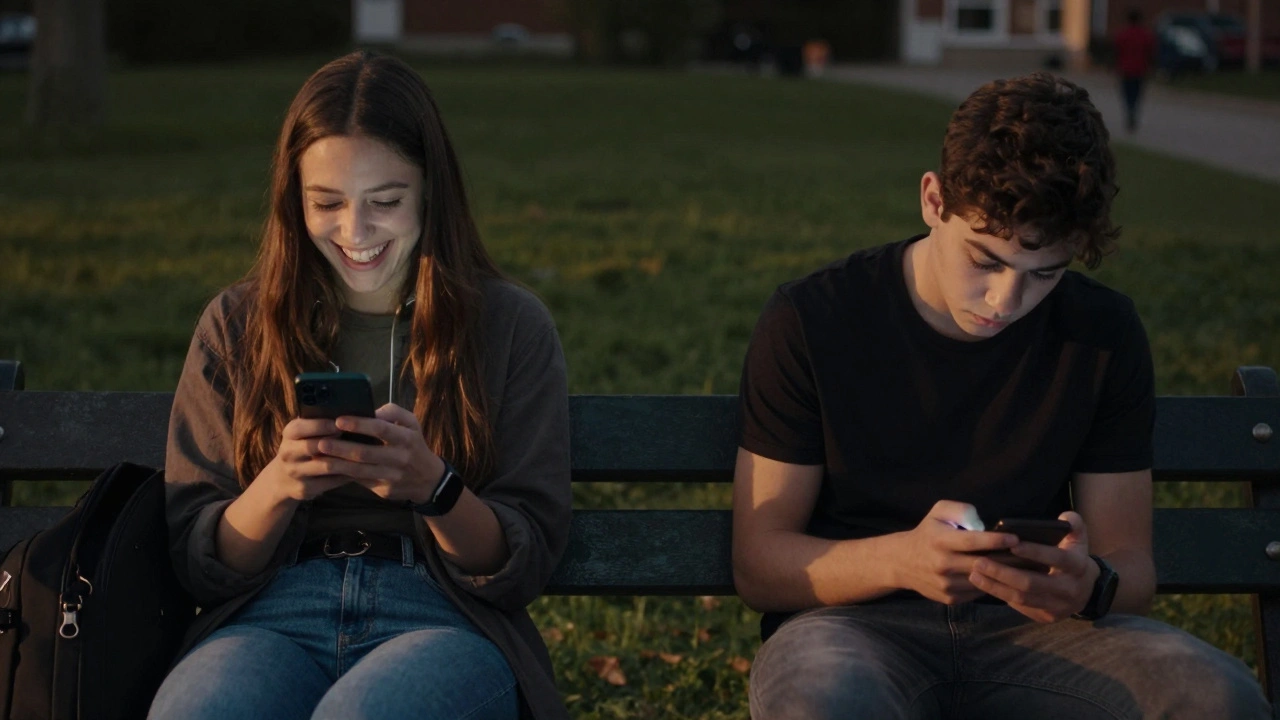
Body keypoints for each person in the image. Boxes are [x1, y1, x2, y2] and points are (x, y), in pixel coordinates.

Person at [732, 72, 1271, 719]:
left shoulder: (1101, 333)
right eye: (985, 260)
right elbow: (760, 564)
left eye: (1045, 273)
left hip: (1043, 634)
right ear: (933, 201)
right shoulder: (814, 318)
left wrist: (1092, 583)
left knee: (1218, 697)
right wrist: (902, 562)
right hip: (852, 628)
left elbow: (1131, 566)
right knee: (823, 704)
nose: (1005, 301)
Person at [149, 51, 571, 720]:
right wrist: (280, 484)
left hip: (441, 616)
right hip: (270, 614)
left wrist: (432, 486)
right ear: (294, 198)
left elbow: (521, 562)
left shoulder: (508, 325)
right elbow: (201, 562)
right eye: (327, 202)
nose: (355, 231)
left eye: (386, 201)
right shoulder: (237, 324)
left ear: (432, 189)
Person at [1113, 7, 1157, 132]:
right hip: (1140, 70)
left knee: (1127, 94)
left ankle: (1129, 111)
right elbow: (1151, 53)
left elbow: (1117, 52)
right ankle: (1133, 111)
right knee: (1137, 94)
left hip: (1126, 70)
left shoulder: (1122, 34)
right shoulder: (1145, 35)